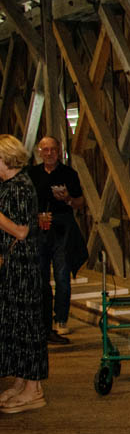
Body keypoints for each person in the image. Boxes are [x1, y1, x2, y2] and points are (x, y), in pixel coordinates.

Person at [0, 135, 48, 413]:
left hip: (24, 266)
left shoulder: (20, 186)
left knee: (28, 326)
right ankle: (21, 382)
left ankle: (34, 389)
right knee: (15, 325)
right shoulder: (8, 185)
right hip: (12, 266)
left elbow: (21, 230)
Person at [26, 136, 86, 344]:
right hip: (39, 228)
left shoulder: (69, 174)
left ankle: (61, 319)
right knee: (41, 276)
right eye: (45, 149)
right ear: (39, 152)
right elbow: (26, 202)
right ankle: (43, 322)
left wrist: (67, 198)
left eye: (52, 149)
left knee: (62, 275)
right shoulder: (32, 174)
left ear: (59, 151)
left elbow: (80, 202)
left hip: (62, 228)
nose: (49, 153)